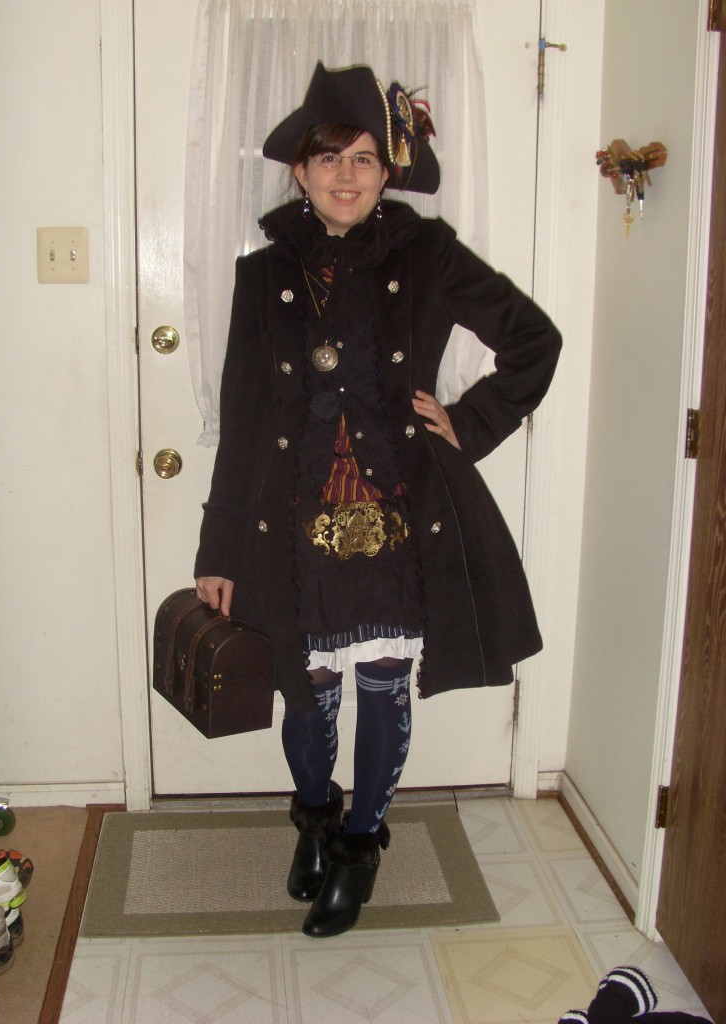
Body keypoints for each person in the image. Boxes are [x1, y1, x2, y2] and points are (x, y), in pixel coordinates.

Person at [194, 61, 561, 938]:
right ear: (300, 170)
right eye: (329, 157)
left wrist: (470, 421)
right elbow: (243, 418)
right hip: (293, 522)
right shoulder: (262, 274)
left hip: (398, 516)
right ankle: (315, 822)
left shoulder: (427, 254)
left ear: (388, 169)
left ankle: (359, 850)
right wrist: (219, 551)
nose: (347, 175)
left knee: (386, 686)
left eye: (364, 157)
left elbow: (533, 339)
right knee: (307, 690)